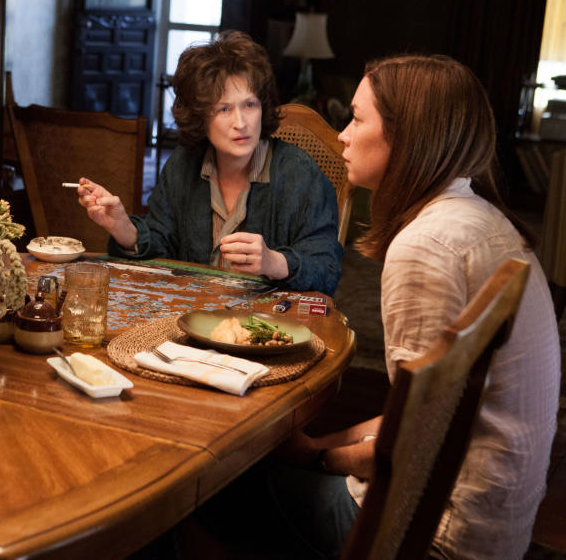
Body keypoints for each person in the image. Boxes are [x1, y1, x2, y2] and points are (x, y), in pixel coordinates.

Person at [197, 54, 560, 559]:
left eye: (357, 119)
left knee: (217, 485)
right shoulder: (480, 218)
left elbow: (416, 451)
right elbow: (423, 415)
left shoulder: (426, 247)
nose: (343, 135)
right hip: (498, 527)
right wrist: (319, 446)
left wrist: (324, 463)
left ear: (406, 137)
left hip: (435, 536)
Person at [76, 31, 343, 294]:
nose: (241, 123)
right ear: (200, 117)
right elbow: (162, 246)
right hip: (188, 318)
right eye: (224, 109)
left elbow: (327, 268)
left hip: (265, 327)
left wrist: (273, 262)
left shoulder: (299, 173)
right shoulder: (184, 164)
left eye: (250, 104)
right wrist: (123, 228)